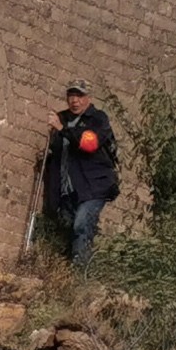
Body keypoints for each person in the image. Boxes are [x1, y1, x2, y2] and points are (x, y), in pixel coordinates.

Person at [43, 86, 119, 263]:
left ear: (88, 98)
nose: (74, 100)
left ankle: (79, 275)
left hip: (93, 186)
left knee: (81, 224)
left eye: (79, 96)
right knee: (68, 230)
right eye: (71, 95)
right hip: (67, 189)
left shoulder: (98, 119)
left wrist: (62, 129)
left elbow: (89, 144)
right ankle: (68, 276)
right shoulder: (63, 118)